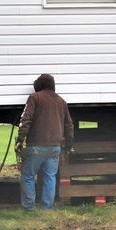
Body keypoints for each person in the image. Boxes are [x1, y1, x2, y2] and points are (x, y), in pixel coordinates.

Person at [15, 73, 74, 211]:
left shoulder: (35, 98)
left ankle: (30, 208)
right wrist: (69, 145)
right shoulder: (61, 101)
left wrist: (20, 140)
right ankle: (47, 209)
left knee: (28, 175)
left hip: (36, 144)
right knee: (50, 177)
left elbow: (26, 119)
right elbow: (69, 125)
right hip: (55, 147)